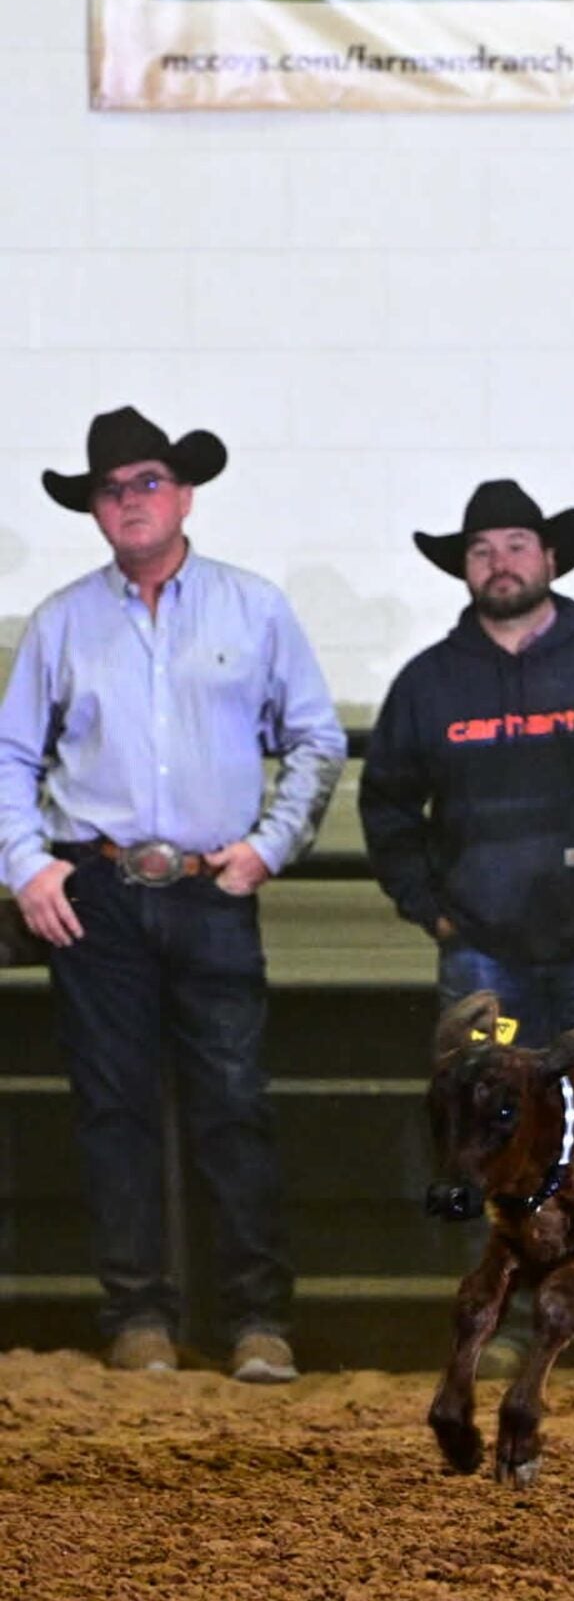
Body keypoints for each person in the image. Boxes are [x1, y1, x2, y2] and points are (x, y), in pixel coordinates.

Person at [0, 406, 346, 1382]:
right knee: (115, 1109)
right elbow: (11, 754)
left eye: (146, 482)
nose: (129, 501)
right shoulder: (63, 621)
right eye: (112, 488)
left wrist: (267, 848)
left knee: (233, 1103)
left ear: (183, 494)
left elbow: (316, 738)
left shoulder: (254, 607)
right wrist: (29, 863)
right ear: (96, 508)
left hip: (209, 886)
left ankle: (255, 1317)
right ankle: (139, 1315)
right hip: (98, 891)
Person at [360, 478, 574, 1385]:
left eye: (515, 545)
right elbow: (387, 807)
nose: (499, 562)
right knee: (487, 1144)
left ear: (549, 558)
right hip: (484, 956)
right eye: (481, 550)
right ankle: (506, 1320)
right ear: (463, 569)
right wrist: (430, 908)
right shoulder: (428, 683)